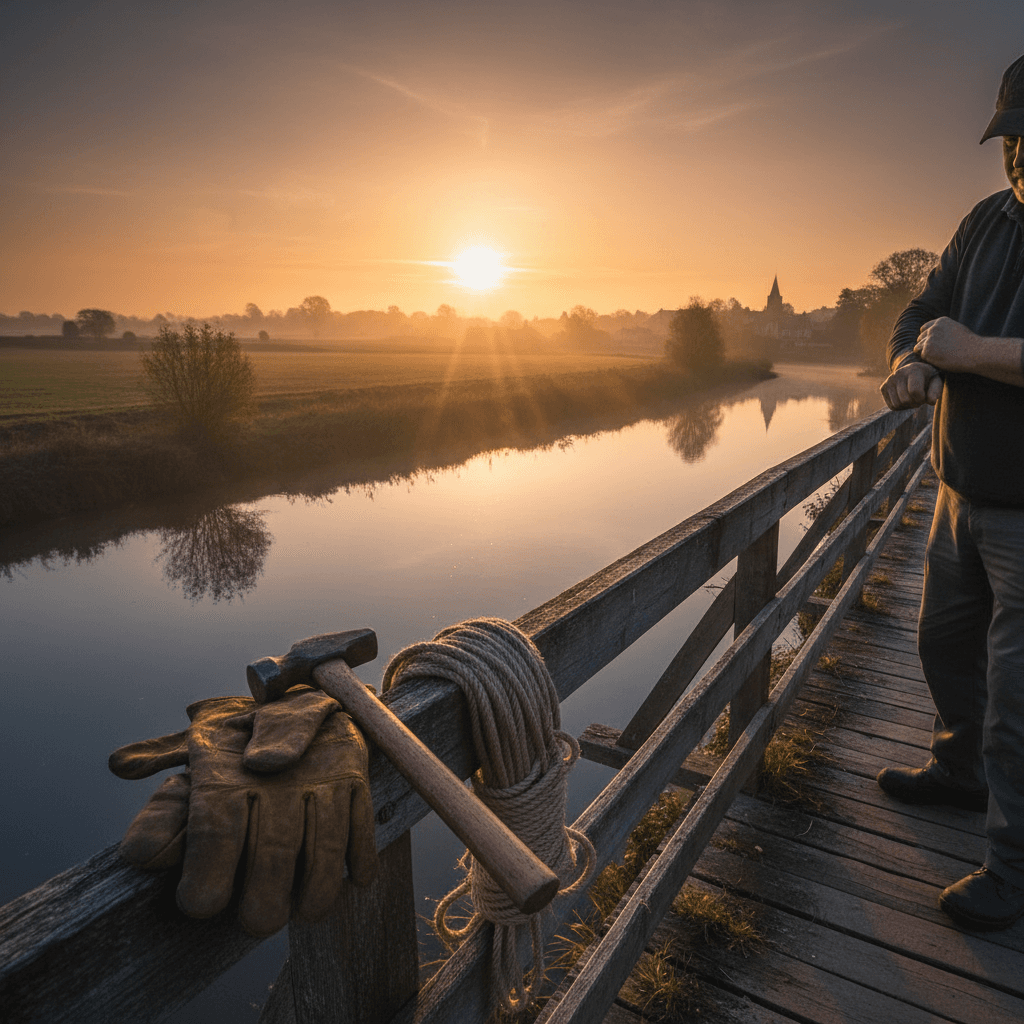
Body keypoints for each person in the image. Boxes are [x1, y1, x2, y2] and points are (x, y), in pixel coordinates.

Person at [876, 52, 1024, 932]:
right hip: (955, 493)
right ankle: (957, 771)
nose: (1021, 158)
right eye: (1014, 139)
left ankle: (1011, 873)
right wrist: (907, 364)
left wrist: (965, 355)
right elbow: (919, 314)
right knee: (942, 645)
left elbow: (954, 338)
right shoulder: (985, 223)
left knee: (1020, 702)